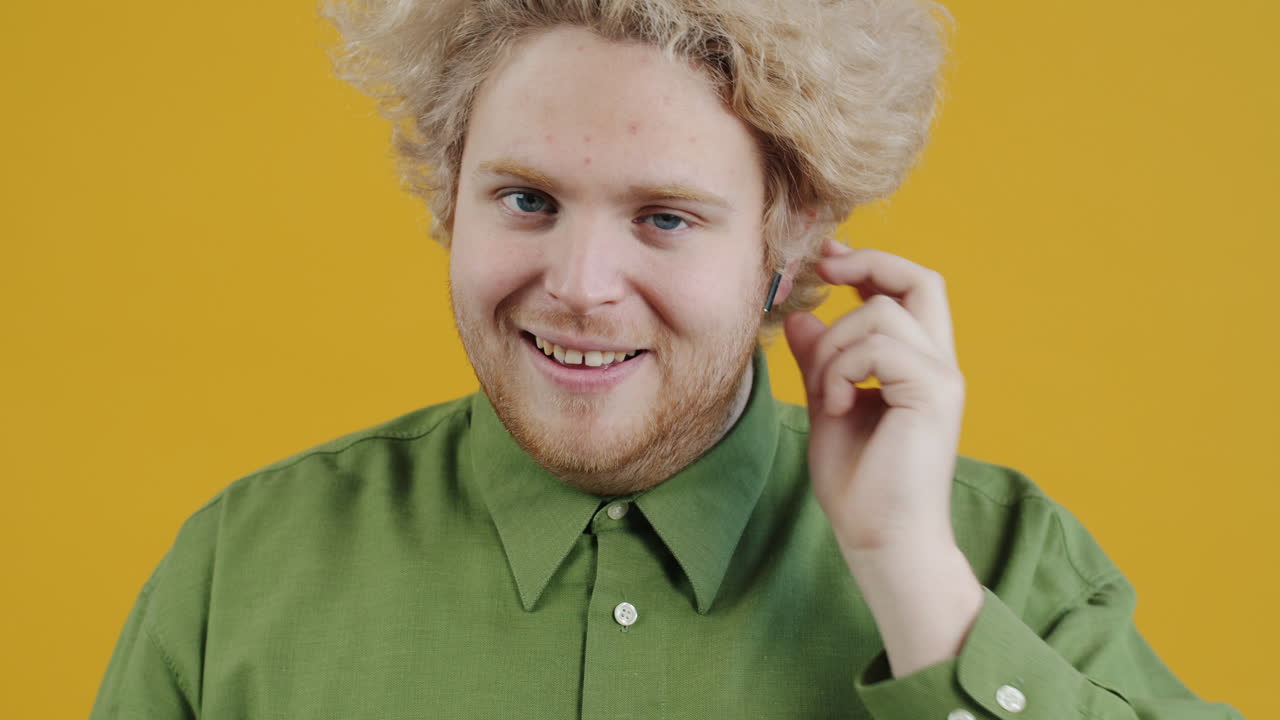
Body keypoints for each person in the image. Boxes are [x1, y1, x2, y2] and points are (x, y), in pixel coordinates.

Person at [90, 1, 1244, 718]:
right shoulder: (242, 571)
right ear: (449, 199)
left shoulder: (1000, 560)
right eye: (527, 198)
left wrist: (911, 581)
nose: (580, 284)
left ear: (782, 249)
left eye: (665, 218)